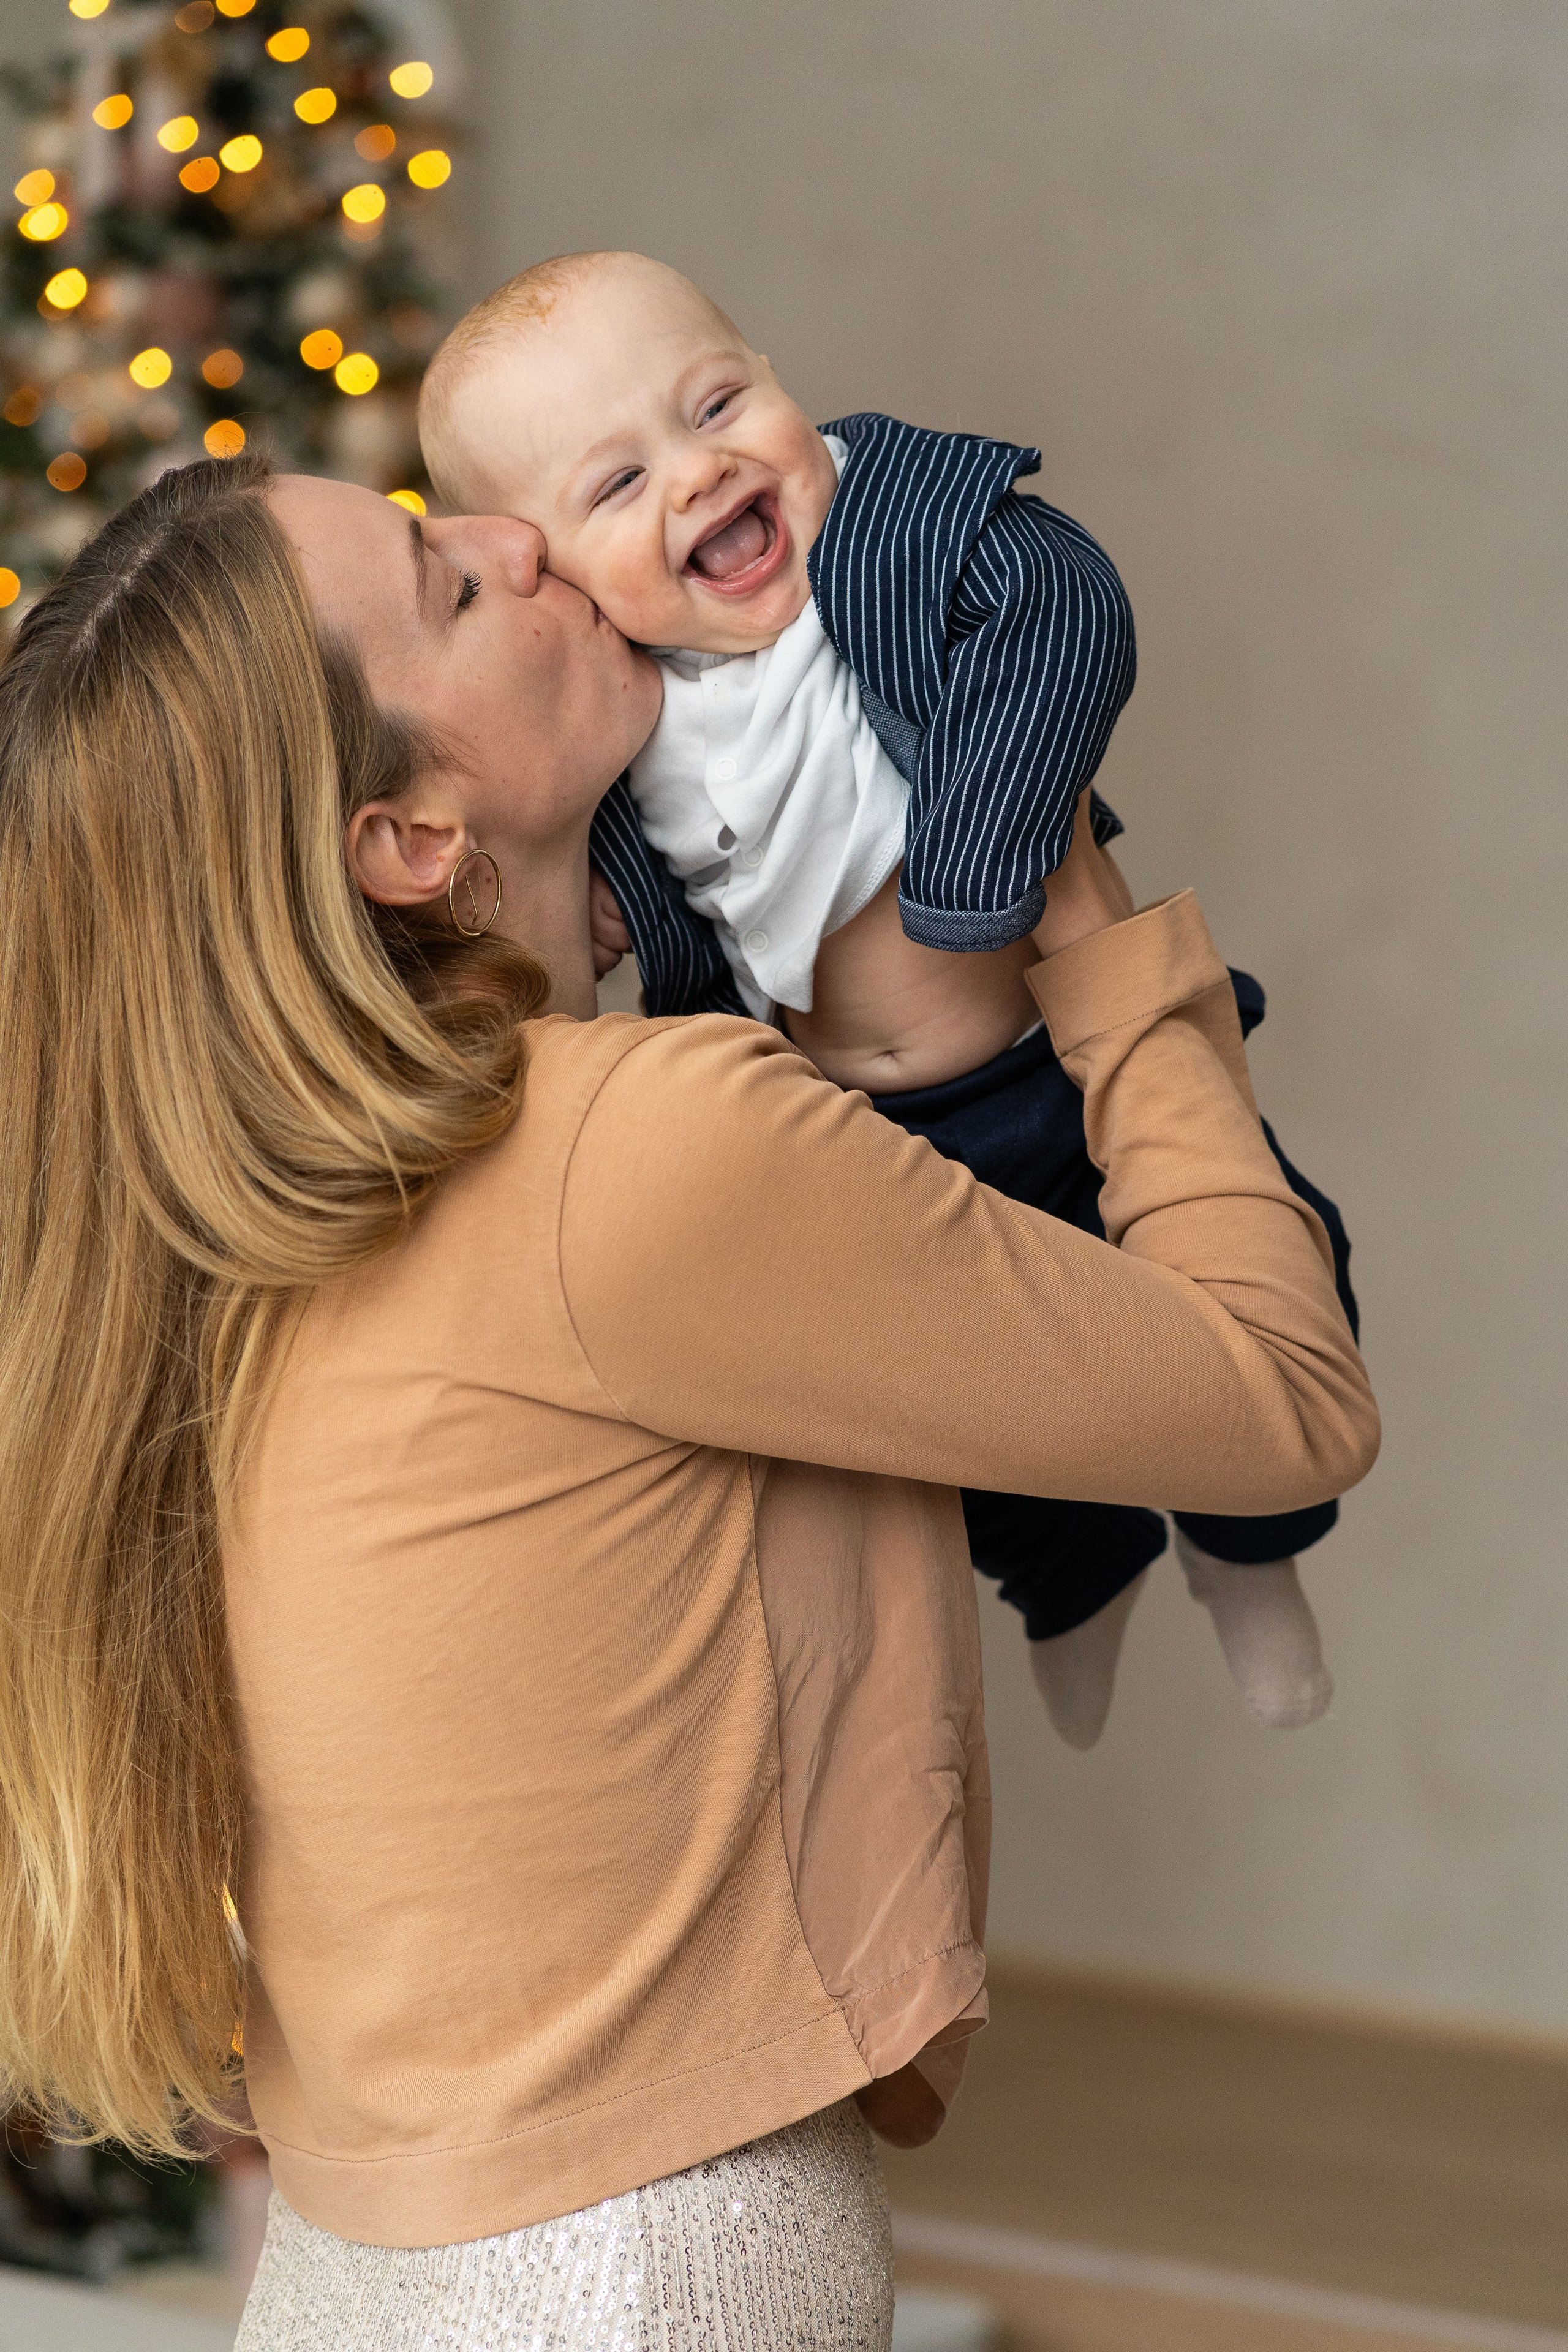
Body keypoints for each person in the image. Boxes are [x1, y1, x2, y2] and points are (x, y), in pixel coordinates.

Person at [0, 454, 1377, 2351]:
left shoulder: (243, 1222)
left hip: (364, 2268)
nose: (514, 537)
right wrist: (1081, 906)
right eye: (447, 584)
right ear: (406, 838)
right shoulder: (633, 1158)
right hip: (644, 2272)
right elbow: (1285, 1400)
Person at [417, 250, 1359, 1748]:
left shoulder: (903, 546)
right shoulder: (629, 713)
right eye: (614, 487)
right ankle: (1079, 1582)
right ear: (563, 580)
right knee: (974, 1422)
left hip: (1056, 1055)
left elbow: (1066, 611)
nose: (699, 470)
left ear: (778, 376)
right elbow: (629, 887)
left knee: (1281, 1256)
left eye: (718, 399)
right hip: (871, 1138)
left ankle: (1250, 1557)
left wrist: (979, 868)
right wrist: (606, 913)